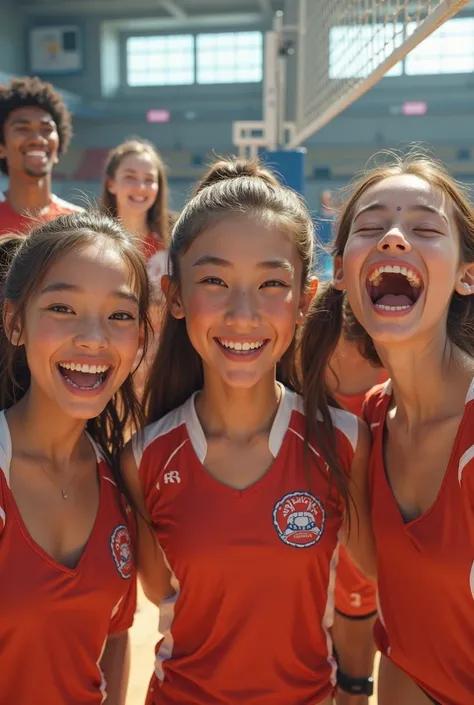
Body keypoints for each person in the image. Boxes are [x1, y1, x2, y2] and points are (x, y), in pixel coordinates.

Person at [122, 157, 374, 705]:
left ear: (306, 299)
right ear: (176, 296)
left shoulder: (346, 443)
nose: (242, 313)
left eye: (270, 284)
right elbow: (158, 590)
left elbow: (373, 584)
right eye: (214, 280)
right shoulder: (143, 457)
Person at [303, 151, 474, 705]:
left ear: (468, 275)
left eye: (425, 227)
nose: (394, 238)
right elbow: (388, 576)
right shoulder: (368, 423)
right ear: (342, 274)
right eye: (370, 227)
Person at [0, 211, 151, 704]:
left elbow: (114, 635)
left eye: (120, 315)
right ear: (14, 323)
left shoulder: (124, 478)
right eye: (63, 308)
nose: (94, 337)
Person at [326, 302, 388, 705]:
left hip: (355, 547)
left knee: (350, 680)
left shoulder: (392, 376)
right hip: (333, 543)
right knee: (350, 680)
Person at [0, 77, 82, 236]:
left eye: (47, 129)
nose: (38, 139)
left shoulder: (78, 224)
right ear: (2, 148)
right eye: (22, 129)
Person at [101, 138, 173, 295]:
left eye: (149, 180)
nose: (140, 187)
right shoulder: (94, 246)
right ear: (111, 184)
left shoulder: (174, 244)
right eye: (130, 177)